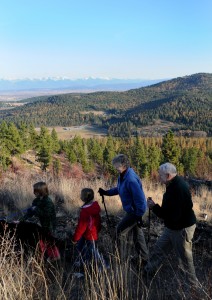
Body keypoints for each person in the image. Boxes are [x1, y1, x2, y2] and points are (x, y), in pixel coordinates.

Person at [145, 162, 199, 287]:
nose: (158, 177)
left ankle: (193, 287)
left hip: (181, 228)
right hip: (172, 227)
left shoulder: (178, 188)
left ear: (168, 175)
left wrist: (154, 207)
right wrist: (156, 208)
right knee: (159, 248)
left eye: (160, 175)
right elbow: (171, 213)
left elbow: (173, 215)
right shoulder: (172, 184)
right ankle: (148, 271)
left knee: (185, 258)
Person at [98, 154, 148, 264]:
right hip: (133, 211)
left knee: (119, 232)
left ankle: (121, 259)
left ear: (123, 165)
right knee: (137, 235)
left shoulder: (130, 179)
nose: (114, 166)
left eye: (116, 164)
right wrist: (107, 192)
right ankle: (144, 259)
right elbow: (119, 189)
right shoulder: (123, 175)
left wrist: (139, 216)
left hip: (136, 212)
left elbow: (139, 199)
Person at [21, 181, 60, 262]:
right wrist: (22, 219)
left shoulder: (48, 201)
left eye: (36, 191)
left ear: (41, 192)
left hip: (49, 224)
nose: (34, 192)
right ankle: (42, 255)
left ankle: (55, 256)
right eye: (34, 190)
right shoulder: (36, 201)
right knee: (40, 240)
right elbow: (30, 212)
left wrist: (36, 209)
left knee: (49, 240)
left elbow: (47, 215)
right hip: (41, 224)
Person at [72, 188, 103, 268]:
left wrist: (75, 238)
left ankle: (100, 265)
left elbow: (81, 227)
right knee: (80, 247)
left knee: (92, 251)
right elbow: (98, 221)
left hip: (90, 235)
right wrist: (98, 230)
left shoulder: (85, 212)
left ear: (84, 198)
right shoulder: (95, 206)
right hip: (92, 233)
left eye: (81, 195)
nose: (80, 196)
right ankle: (81, 261)